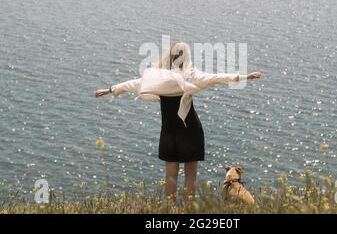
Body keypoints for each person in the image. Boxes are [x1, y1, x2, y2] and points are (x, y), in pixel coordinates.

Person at [95, 42, 262, 201]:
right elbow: (217, 77)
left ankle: (170, 210)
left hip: (168, 133)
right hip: (190, 131)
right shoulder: (191, 76)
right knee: (190, 176)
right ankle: (188, 210)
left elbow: (133, 84)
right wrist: (245, 76)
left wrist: (110, 90)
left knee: (170, 177)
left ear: (169, 57)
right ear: (186, 57)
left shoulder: (158, 78)